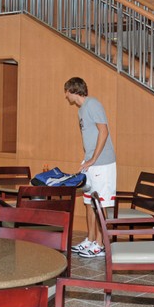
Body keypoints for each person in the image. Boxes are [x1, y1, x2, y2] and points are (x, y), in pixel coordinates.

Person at [64, 77, 117, 258]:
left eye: (66, 91)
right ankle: (91, 239)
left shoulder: (93, 104)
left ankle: (101, 246)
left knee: (100, 203)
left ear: (73, 90)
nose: (65, 95)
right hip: (91, 163)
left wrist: (94, 158)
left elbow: (104, 131)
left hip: (103, 163)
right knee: (88, 202)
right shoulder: (81, 110)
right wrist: (87, 159)